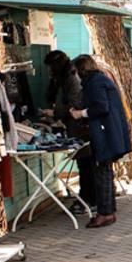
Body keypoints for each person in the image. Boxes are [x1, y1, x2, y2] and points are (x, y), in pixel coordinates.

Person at [70, 55, 132, 228]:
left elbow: (101, 107)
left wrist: (80, 114)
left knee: (102, 174)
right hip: (111, 133)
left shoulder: (95, 82)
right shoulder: (99, 79)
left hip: (105, 135)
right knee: (105, 173)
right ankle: (108, 211)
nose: (74, 75)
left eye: (75, 71)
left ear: (81, 69)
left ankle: (105, 213)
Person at [42, 50, 90, 214]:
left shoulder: (71, 77)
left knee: (85, 164)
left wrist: (55, 113)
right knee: (84, 164)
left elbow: (75, 103)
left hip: (81, 126)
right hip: (77, 126)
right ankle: (88, 198)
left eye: (50, 67)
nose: (49, 71)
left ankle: (87, 199)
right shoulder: (64, 77)